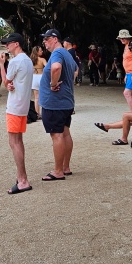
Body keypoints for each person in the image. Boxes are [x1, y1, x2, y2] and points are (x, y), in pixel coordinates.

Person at [39, 29, 76, 181]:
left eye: (46, 39)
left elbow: (56, 67)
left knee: (57, 135)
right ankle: (65, 167)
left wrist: (53, 84)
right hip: (66, 101)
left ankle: (58, 171)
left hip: (55, 103)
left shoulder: (57, 54)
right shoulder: (68, 54)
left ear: (55, 39)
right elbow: (76, 70)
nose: (44, 42)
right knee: (65, 133)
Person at [0, 32, 33, 194]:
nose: (6, 46)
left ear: (16, 44)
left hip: (14, 106)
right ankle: (22, 177)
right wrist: (9, 85)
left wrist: (1, 64)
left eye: (9, 43)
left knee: (14, 142)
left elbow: (6, 80)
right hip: (24, 105)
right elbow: (14, 83)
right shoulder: (27, 61)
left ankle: (22, 180)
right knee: (18, 141)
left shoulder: (15, 61)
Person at [30, 46, 46, 114]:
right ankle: (44, 112)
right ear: (37, 52)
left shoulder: (31, 60)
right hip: (41, 77)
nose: (42, 51)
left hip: (34, 77)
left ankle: (37, 113)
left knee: (36, 97)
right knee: (44, 96)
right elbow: (47, 67)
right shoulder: (42, 60)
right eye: (40, 51)